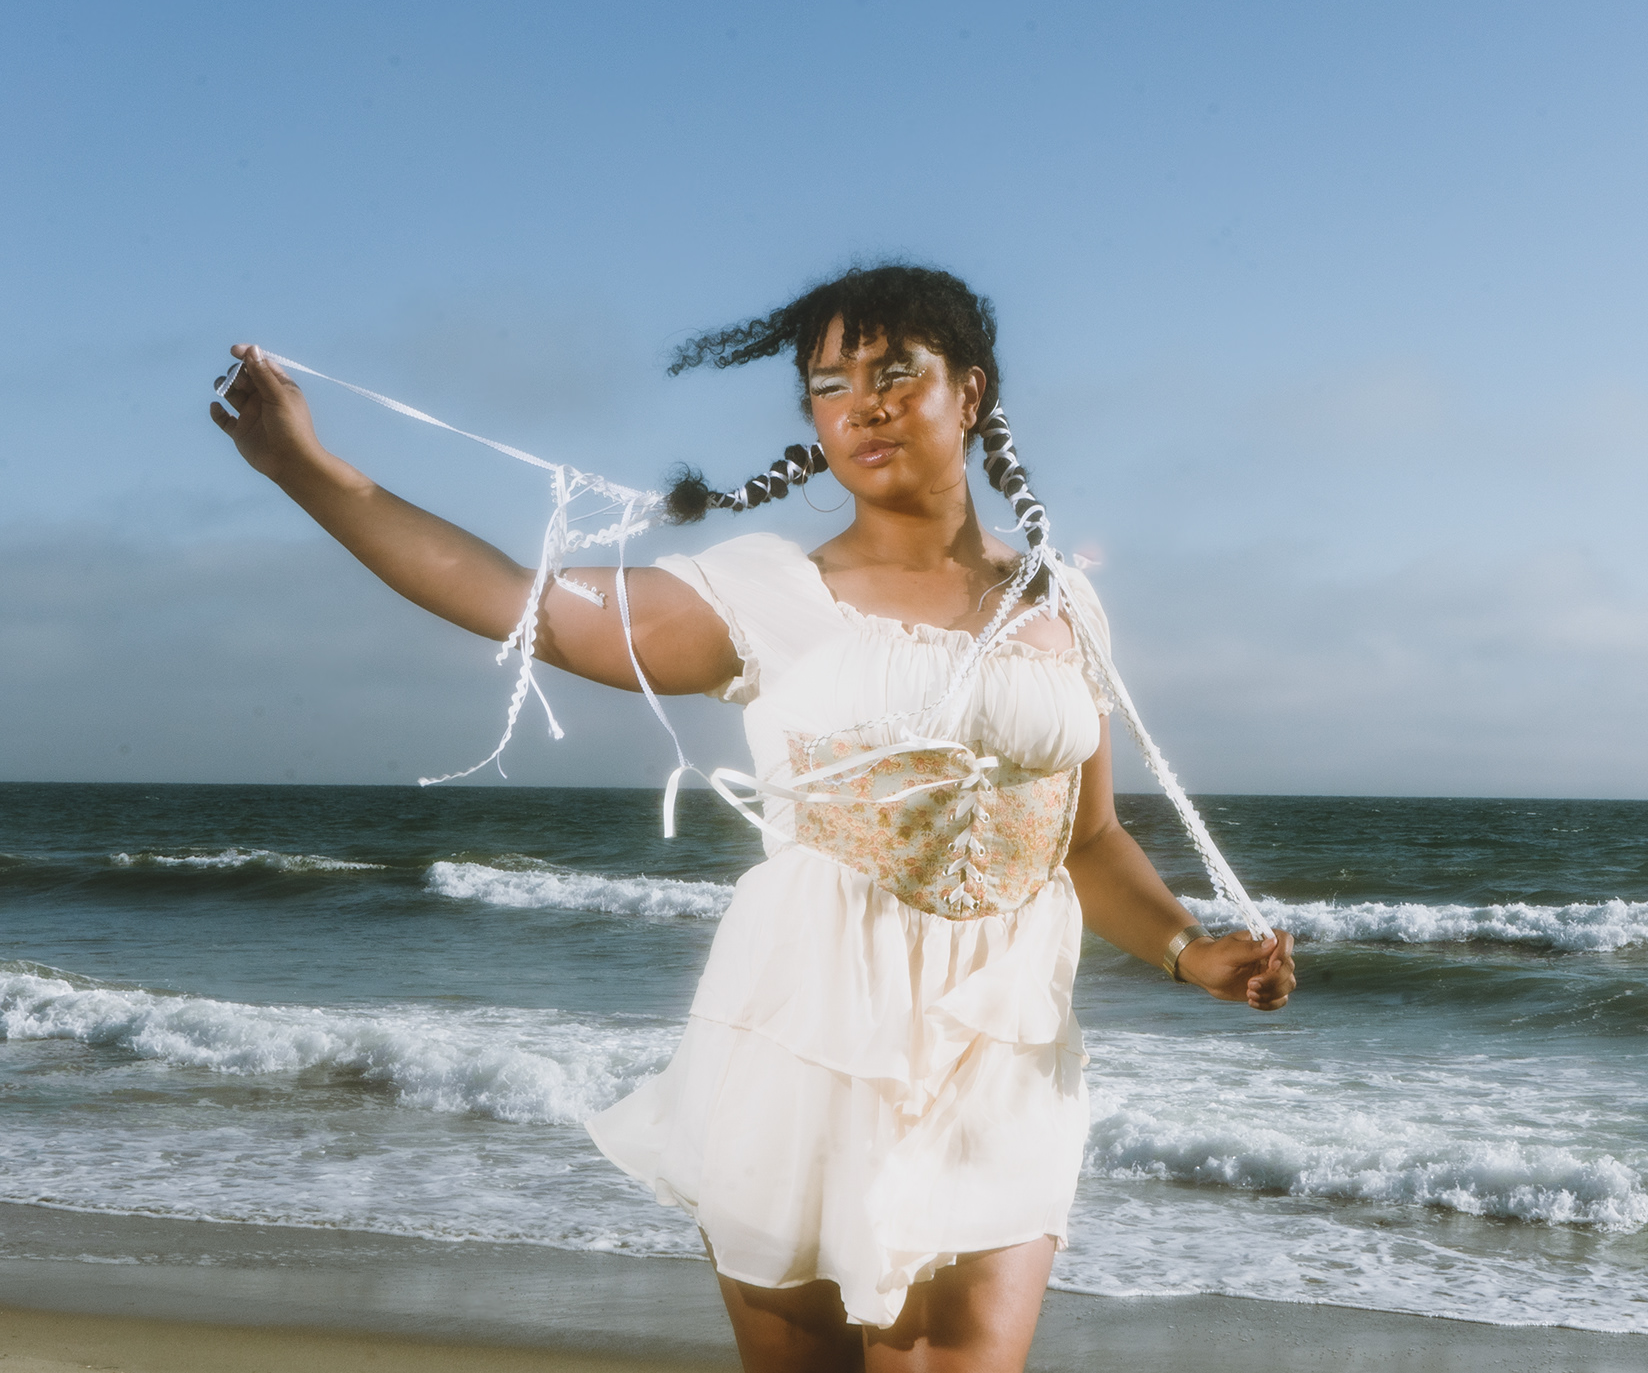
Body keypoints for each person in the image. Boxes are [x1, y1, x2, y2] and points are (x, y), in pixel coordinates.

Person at [211, 264, 1296, 1373]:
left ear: (970, 393)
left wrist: (1187, 949)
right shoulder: (764, 595)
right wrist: (305, 468)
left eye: (895, 373)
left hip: (1004, 1053)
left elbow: (1088, 840)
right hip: (799, 1037)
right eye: (831, 386)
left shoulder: (1062, 603)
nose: (863, 405)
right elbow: (513, 599)